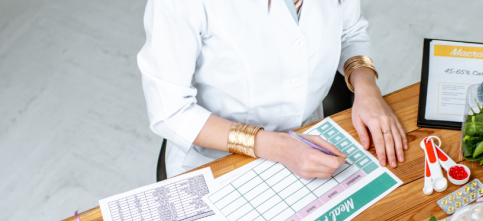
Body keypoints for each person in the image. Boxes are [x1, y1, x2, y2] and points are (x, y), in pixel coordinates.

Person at [137, 0, 408, 179]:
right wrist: (278, 147)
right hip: (218, 159)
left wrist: (367, 89)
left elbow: (350, 32)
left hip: (309, 138)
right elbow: (170, 111)